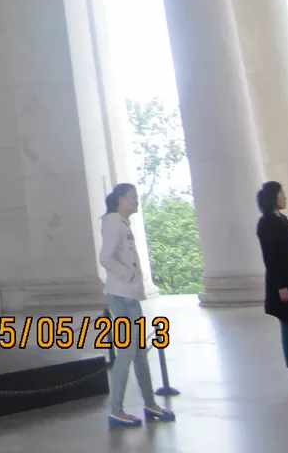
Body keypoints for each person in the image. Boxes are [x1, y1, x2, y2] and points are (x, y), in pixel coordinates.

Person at [99, 183, 176, 427]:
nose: (136, 201)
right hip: (122, 296)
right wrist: (128, 275)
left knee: (139, 352)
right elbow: (105, 257)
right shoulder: (113, 222)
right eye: (132, 197)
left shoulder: (120, 223)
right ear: (121, 199)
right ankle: (116, 409)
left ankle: (149, 403)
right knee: (128, 353)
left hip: (129, 296)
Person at [256, 180, 288, 391]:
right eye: (282, 194)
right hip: (284, 284)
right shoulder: (266, 223)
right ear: (273, 198)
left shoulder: (282, 219)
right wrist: (281, 286)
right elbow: (271, 258)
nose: (285, 197)